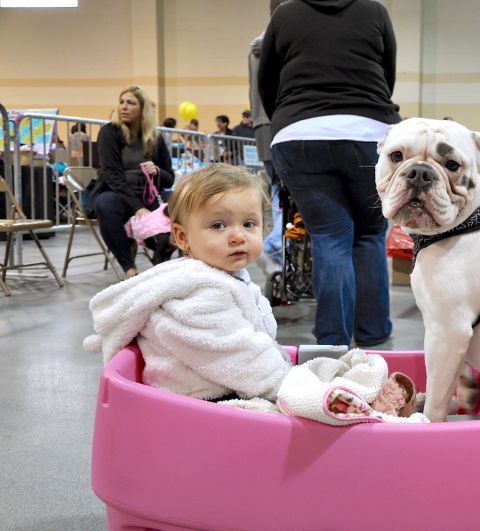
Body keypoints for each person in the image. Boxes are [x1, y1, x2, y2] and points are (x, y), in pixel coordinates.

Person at [258, 0, 401, 347]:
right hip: (368, 133)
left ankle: (332, 340)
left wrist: (290, 116)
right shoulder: (374, 10)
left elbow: (267, 80)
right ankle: (373, 332)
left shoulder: (286, 13)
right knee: (368, 235)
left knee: (329, 235)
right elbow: (387, 73)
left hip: (299, 133)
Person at [84, 164, 291, 402]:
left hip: (231, 387)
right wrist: (297, 388)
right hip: (202, 405)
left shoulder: (224, 274)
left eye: (248, 224)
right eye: (218, 226)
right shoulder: (199, 293)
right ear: (183, 237)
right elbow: (242, 360)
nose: (238, 236)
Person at [92, 86, 175, 278]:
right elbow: (112, 176)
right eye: (121, 102)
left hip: (149, 193)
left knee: (179, 205)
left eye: (130, 103)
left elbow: (169, 178)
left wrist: (158, 171)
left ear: (142, 108)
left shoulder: (155, 138)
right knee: (105, 204)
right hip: (117, 192)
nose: (124, 107)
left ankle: (163, 262)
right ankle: (130, 268)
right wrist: (137, 207)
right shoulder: (109, 132)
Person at [248, 29, 282, 271]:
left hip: (262, 126)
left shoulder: (254, 47)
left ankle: (275, 248)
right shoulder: (285, 38)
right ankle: (273, 248)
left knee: (279, 193)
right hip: (284, 124)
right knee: (295, 199)